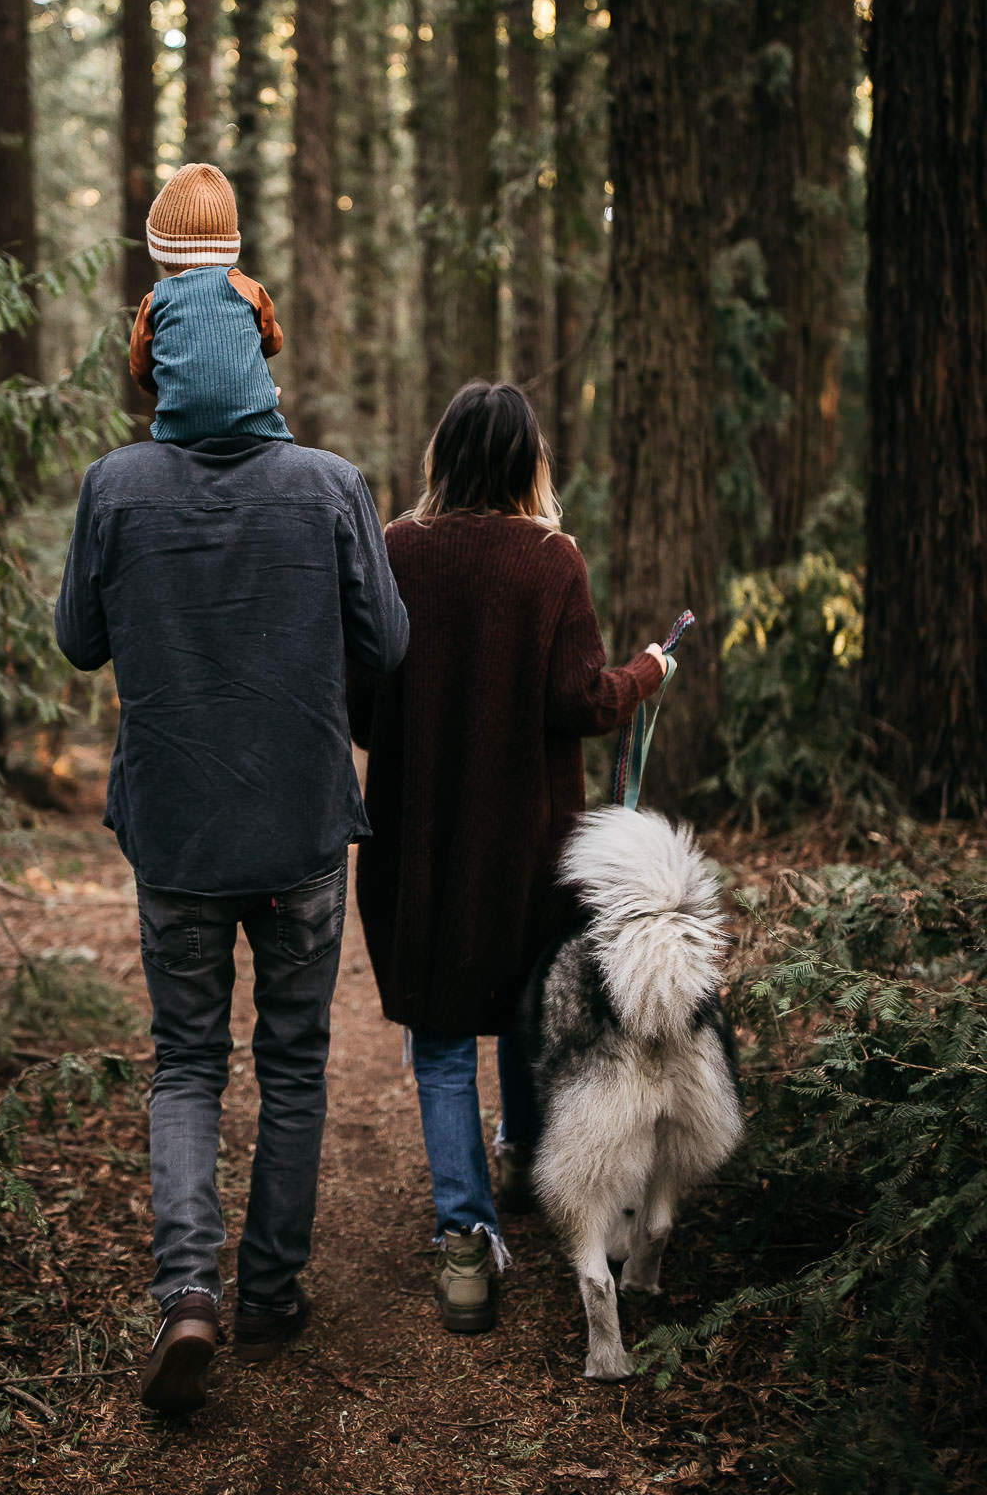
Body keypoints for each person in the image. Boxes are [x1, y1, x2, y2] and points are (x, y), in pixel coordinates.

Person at [55, 418, 408, 1415]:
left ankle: (188, 1296)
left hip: (177, 833)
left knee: (188, 1065)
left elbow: (77, 640)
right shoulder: (333, 484)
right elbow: (387, 639)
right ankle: (272, 1293)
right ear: (262, 366)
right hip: (298, 823)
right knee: (294, 1059)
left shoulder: (114, 486)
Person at [348, 381, 667, 1334]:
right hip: (530, 850)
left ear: (443, 456)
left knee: (443, 1042)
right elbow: (579, 700)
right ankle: (528, 1160)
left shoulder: (398, 550)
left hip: (421, 849)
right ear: (530, 461)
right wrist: (649, 673)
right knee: (534, 1012)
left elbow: (365, 708)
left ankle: (465, 1244)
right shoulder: (550, 560)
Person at [128, 161, 292, 444]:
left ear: (161, 255)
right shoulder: (248, 290)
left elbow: (141, 370)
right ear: (229, 246)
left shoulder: (156, 301)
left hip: (180, 428)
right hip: (253, 424)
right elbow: (273, 342)